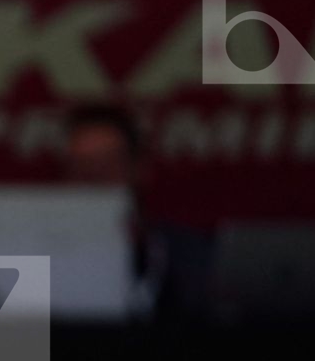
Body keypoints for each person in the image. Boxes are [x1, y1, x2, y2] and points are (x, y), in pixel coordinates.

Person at [61, 103, 214, 323]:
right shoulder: (34, 258)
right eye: (81, 165)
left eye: (108, 163)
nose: (93, 177)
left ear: (139, 169)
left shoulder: (187, 254)